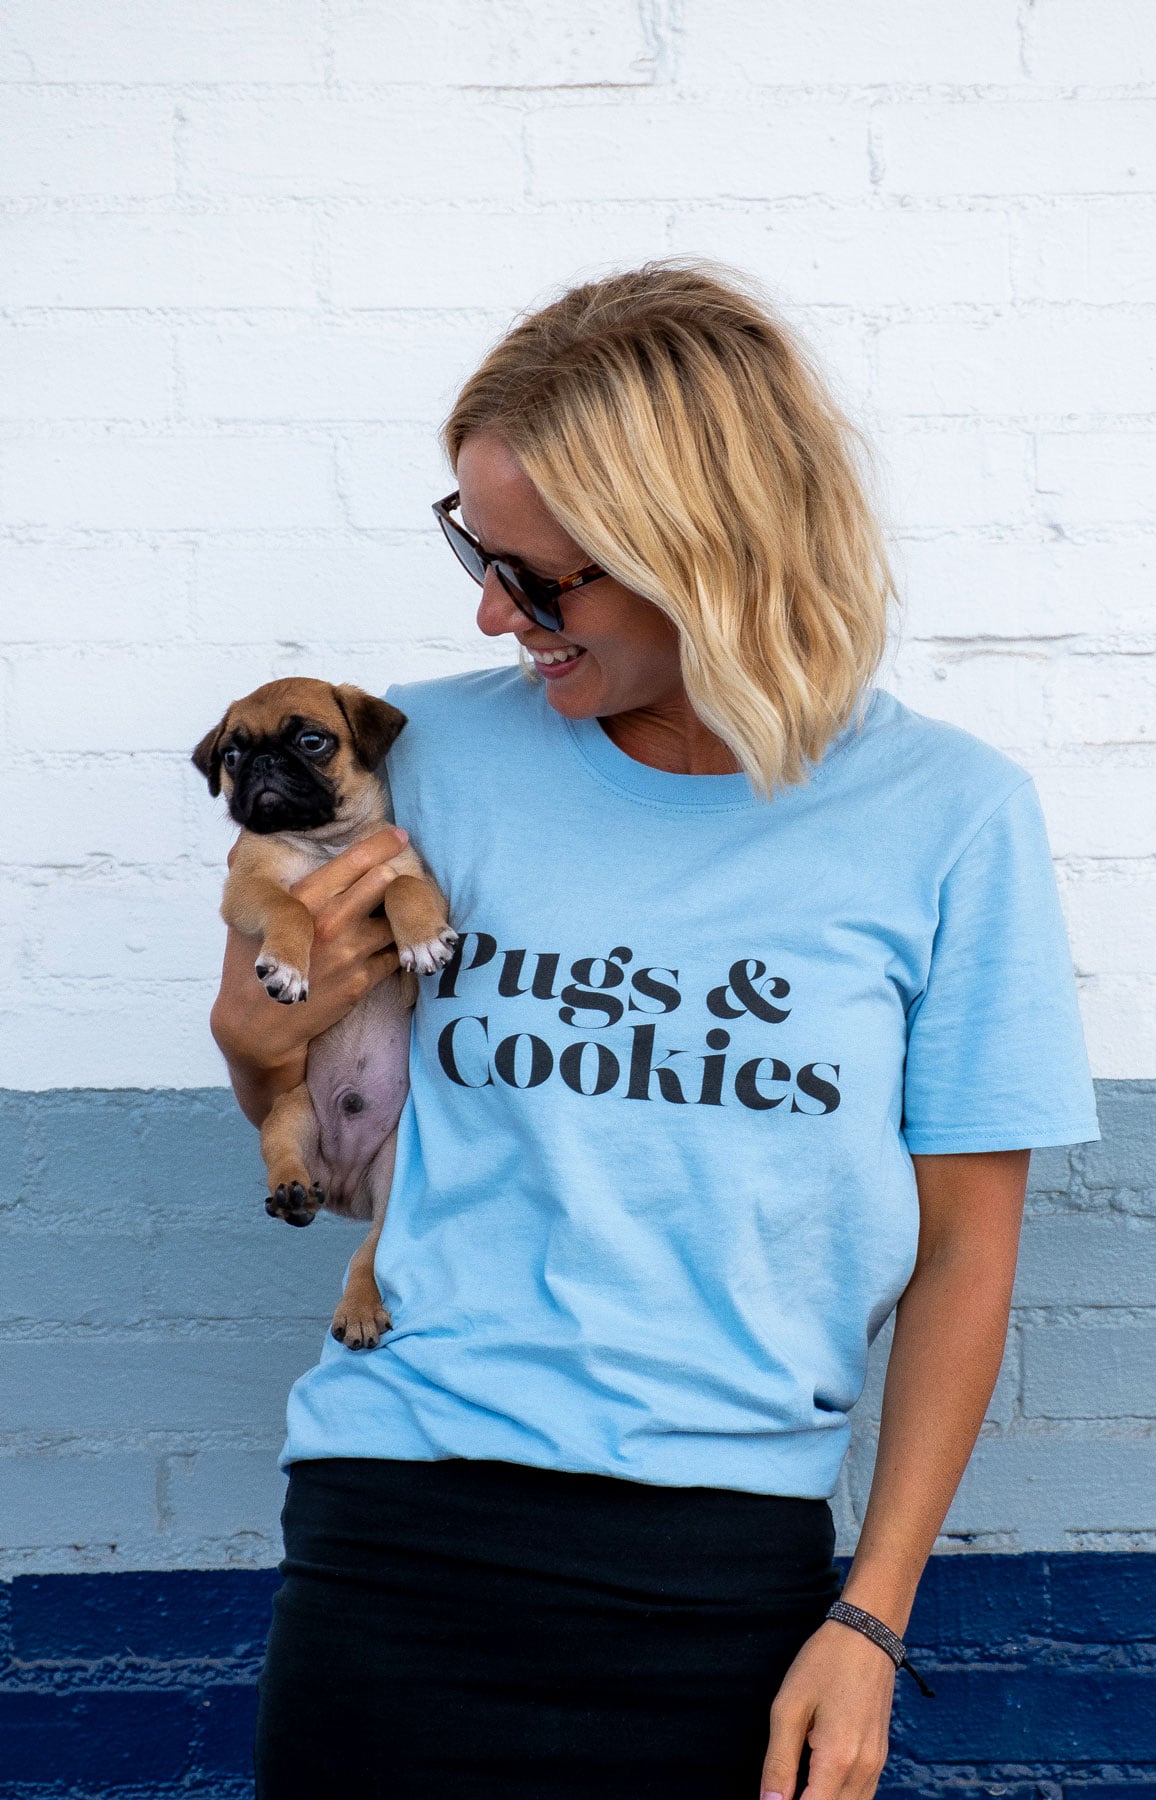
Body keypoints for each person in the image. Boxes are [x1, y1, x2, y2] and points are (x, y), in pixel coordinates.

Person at [211, 263, 1099, 1800]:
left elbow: (968, 1249)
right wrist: (250, 1043)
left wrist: (871, 1620)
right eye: (474, 553)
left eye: (544, 578)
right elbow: (337, 1128)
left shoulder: (950, 820)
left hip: (726, 1574)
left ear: (711, 554)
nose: (493, 614)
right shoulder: (418, 765)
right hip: (392, 1536)